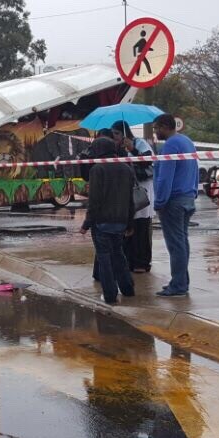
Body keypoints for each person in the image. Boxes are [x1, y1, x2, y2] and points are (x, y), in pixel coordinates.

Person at [80, 136, 135, 305]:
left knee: (104, 258)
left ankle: (110, 295)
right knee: (119, 255)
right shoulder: (127, 169)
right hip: (121, 221)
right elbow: (130, 199)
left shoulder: (98, 170)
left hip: (102, 222)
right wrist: (130, 222)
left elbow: (94, 200)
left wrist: (86, 224)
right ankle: (128, 289)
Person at [152, 114, 198, 297]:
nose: (155, 132)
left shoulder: (170, 145)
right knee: (182, 242)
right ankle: (181, 281)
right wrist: (193, 191)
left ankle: (178, 285)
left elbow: (165, 177)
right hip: (187, 198)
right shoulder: (186, 141)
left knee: (175, 245)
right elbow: (194, 168)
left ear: (164, 126)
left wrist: (160, 201)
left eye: (156, 128)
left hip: (173, 201)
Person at [113, 120, 155, 272]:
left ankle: (142, 262)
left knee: (141, 226)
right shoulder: (118, 148)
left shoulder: (139, 143)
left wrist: (133, 149)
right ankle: (129, 260)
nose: (115, 137)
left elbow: (148, 161)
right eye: (113, 134)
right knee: (129, 226)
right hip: (126, 190)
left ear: (124, 133)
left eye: (117, 133)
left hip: (141, 188)